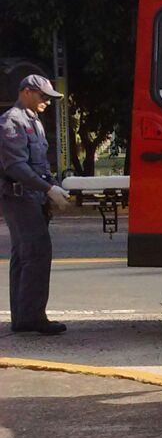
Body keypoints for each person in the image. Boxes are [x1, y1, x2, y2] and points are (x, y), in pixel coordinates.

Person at [1, 74, 72, 335]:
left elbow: (39, 166)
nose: (47, 102)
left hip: (32, 197)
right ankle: (31, 317)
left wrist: (53, 187)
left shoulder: (34, 123)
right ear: (27, 92)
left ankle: (23, 318)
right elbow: (16, 166)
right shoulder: (12, 122)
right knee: (37, 253)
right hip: (19, 197)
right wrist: (47, 189)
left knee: (25, 256)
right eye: (44, 97)